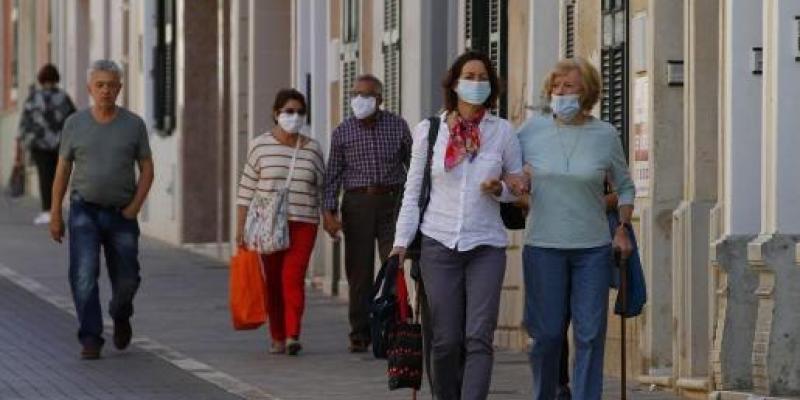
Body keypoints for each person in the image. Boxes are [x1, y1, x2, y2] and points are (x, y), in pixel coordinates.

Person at [390, 51, 526, 400]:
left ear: (492, 86)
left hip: (487, 245)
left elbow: (519, 188)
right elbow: (413, 191)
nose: (476, 83)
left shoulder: (502, 132)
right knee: (446, 339)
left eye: (483, 77)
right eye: (470, 75)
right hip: (439, 243)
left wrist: (502, 190)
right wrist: (401, 242)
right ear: (454, 82)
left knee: (479, 337)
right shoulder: (429, 131)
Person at [516, 57, 635, 400]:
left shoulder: (605, 135)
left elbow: (625, 187)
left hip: (593, 249)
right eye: (556, 86)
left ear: (587, 91)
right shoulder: (530, 131)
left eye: (568, 86)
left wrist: (623, 226)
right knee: (548, 334)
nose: (560, 92)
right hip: (542, 246)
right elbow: (509, 175)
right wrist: (517, 186)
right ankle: (545, 393)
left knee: (589, 334)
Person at [49, 60, 154, 360]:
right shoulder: (75, 124)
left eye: (111, 85)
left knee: (127, 279)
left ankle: (120, 315)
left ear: (120, 88)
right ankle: (91, 337)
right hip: (84, 211)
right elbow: (62, 170)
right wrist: (56, 213)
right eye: (100, 85)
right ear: (89, 89)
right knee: (83, 275)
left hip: (122, 214)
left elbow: (147, 169)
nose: (106, 90)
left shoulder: (134, 125)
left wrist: (134, 207)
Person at [322, 74, 412, 352]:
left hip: (392, 202)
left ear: (380, 99)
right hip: (357, 204)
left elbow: (414, 166)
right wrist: (328, 212)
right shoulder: (342, 132)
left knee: (393, 265)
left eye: (367, 95)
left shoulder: (397, 127)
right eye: (356, 94)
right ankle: (360, 332)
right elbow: (332, 175)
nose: (360, 100)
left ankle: (394, 326)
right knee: (358, 272)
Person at [235, 89, 325, 356]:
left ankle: (292, 334)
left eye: (299, 112)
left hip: (303, 222)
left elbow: (323, 187)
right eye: (288, 111)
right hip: (268, 224)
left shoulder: (312, 149)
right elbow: (246, 189)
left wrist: (329, 216)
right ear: (276, 114)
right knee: (273, 281)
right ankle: (277, 335)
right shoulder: (259, 145)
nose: (294, 117)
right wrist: (240, 228)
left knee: (292, 278)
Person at [15, 64, 76, 225]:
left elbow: (25, 122)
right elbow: (73, 119)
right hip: (60, 143)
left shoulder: (34, 97)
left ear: (41, 79)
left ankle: (47, 211)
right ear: (56, 78)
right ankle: (57, 209)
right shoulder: (63, 97)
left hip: (39, 144)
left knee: (44, 177)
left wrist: (21, 143)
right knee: (59, 176)